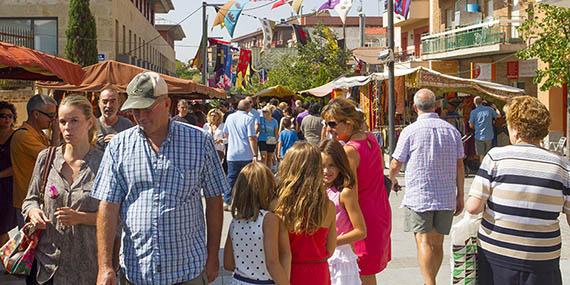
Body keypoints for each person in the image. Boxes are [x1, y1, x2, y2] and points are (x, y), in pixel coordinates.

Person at [91, 72, 228, 285]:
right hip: (137, 272)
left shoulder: (199, 142)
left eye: (147, 109)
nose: (141, 116)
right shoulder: (119, 146)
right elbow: (108, 206)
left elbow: (214, 200)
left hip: (187, 271)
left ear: (166, 104)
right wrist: (105, 266)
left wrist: (212, 257)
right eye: (136, 110)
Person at [465, 96, 569, 285]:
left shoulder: (496, 158)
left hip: (497, 255)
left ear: (515, 128)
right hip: (543, 259)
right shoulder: (562, 167)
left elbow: (473, 207)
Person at [22, 95, 103, 284]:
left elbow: (116, 216)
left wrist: (82, 218)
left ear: (89, 122)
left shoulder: (104, 163)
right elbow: (30, 199)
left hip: (85, 269)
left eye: (74, 121)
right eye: (63, 121)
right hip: (46, 267)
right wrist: (33, 212)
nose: (68, 127)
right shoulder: (47, 157)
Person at [387, 89, 464, 285]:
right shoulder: (451, 130)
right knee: (437, 243)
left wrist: (392, 179)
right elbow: (459, 165)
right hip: (446, 196)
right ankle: (431, 280)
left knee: (423, 241)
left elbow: (396, 163)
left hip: (419, 195)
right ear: (436, 106)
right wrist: (460, 195)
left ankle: (429, 283)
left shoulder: (410, 131)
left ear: (414, 107)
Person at [321, 97, 391, 285]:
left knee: (360, 272)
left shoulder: (350, 151)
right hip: (379, 210)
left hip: (360, 215)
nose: (329, 128)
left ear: (349, 122)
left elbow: (350, 189)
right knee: (367, 273)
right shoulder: (370, 138)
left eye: (332, 123)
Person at [275, 142, 337, 285]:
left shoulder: (280, 206)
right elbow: (330, 249)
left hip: (288, 272)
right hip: (319, 271)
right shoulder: (328, 206)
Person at [223, 162, 291, 285]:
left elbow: (228, 263)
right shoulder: (268, 220)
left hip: (238, 280)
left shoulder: (235, 222)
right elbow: (272, 262)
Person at [320, 139, 366, 285]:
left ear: (340, 165)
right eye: (322, 166)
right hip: (319, 255)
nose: (326, 171)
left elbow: (360, 231)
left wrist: (332, 241)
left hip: (340, 257)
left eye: (332, 165)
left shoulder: (344, 193)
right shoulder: (316, 191)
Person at [11, 94, 59, 226]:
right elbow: (52, 158)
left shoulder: (38, 134)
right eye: (50, 115)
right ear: (36, 114)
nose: (53, 120)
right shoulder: (24, 136)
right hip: (27, 202)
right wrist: (56, 133)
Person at [223, 100, 258, 209]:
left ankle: (227, 201)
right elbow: (251, 137)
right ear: (248, 108)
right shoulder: (249, 119)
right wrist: (255, 154)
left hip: (232, 153)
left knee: (231, 178)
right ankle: (243, 201)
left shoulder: (230, 117)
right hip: (245, 153)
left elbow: (226, 133)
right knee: (246, 179)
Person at [0, 101, 17, 245]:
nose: (7, 119)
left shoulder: (17, 137)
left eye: (10, 116)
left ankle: (3, 262)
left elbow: (18, 165)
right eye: (3, 116)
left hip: (8, 188)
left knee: (3, 228)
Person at [469, 96, 501, 161]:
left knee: (481, 155)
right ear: (482, 101)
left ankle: (482, 168)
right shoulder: (489, 109)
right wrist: (496, 108)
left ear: (474, 103)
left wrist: (476, 127)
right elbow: (499, 115)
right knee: (488, 154)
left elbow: (471, 125)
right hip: (489, 135)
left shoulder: (473, 112)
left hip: (478, 136)